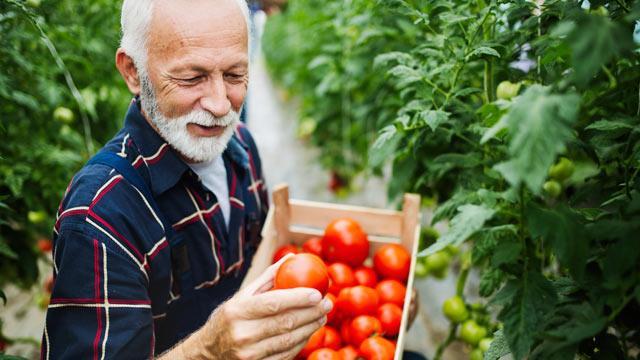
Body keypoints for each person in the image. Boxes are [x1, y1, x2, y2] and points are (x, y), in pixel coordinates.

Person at [41, 0, 332, 358]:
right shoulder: (100, 217)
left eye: (235, 75)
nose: (221, 104)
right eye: (191, 77)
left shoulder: (241, 146)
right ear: (133, 71)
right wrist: (210, 349)